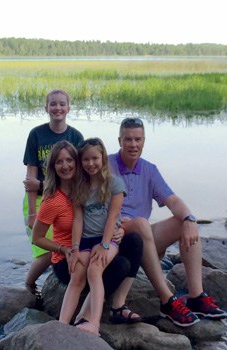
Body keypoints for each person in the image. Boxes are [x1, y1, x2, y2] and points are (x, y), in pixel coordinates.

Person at [107, 117, 227, 327]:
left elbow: (171, 200)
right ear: (119, 140)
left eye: (138, 139)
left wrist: (190, 218)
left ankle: (196, 296)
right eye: (128, 139)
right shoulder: (105, 165)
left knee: (184, 223)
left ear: (144, 140)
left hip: (141, 236)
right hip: (114, 237)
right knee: (142, 224)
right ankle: (167, 300)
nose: (133, 145)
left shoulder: (149, 169)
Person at [32, 140, 143, 330]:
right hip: (68, 256)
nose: (65, 165)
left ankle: (111, 309)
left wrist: (117, 232)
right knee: (115, 266)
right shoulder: (53, 200)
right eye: (59, 162)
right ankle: (73, 320)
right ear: (53, 166)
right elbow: (38, 237)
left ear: (77, 162)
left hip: (98, 243)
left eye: (69, 160)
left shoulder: (90, 184)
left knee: (134, 241)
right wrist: (68, 249)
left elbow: (111, 214)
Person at [59, 137, 128, 336]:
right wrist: (74, 249)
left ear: (103, 158)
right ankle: (62, 323)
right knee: (76, 275)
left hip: (108, 239)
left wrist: (105, 244)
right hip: (86, 241)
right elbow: (78, 220)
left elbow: (112, 217)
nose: (91, 163)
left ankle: (94, 324)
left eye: (95, 158)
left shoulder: (115, 185)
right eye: (86, 160)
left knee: (94, 270)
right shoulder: (79, 187)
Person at [23, 89, 83, 294]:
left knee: (65, 244)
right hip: (40, 199)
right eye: (53, 104)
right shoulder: (36, 134)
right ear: (46, 107)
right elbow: (31, 178)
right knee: (46, 249)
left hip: (68, 198)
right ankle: (29, 285)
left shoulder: (75, 136)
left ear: (69, 107)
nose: (58, 108)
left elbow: (80, 172)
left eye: (62, 104)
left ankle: (55, 281)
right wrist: (32, 212)